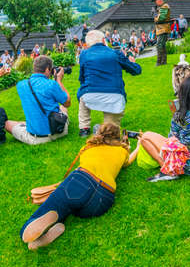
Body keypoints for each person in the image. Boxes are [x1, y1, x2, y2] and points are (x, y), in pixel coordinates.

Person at [20, 122, 140, 250]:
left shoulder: (88, 147)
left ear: (99, 133)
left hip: (82, 181)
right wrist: (137, 147)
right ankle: (45, 236)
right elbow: (127, 163)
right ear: (117, 137)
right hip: (103, 200)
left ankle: (42, 222)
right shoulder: (122, 151)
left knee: (60, 204)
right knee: (75, 207)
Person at [139, 76, 190, 182]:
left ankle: (167, 169)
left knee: (146, 136)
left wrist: (176, 116)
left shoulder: (181, 116)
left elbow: (171, 141)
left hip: (187, 165)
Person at [77, 30, 142, 137]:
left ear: (88, 44)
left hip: (90, 95)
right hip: (114, 97)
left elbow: (82, 78)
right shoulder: (115, 53)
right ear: (103, 40)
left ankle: (84, 128)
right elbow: (136, 70)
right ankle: (106, 129)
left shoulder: (84, 54)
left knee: (83, 96)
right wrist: (133, 63)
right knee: (110, 130)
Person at [4, 56, 70, 145]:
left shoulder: (20, 85)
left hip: (36, 138)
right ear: (47, 69)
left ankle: (30, 125)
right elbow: (67, 103)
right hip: (60, 131)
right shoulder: (52, 84)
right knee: (63, 108)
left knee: (7, 123)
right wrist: (58, 80)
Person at [153, 0, 171, 66]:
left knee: (159, 45)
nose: (155, 3)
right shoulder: (162, 7)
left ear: (160, 0)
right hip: (162, 28)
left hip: (163, 29)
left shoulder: (164, 6)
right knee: (162, 45)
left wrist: (155, 16)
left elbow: (161, 18)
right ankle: (163, 61)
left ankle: (159, 62)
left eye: (156, 1)